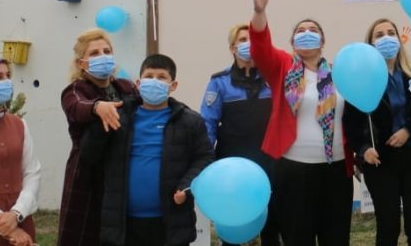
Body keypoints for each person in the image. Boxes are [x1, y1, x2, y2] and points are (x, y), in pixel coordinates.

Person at [244, 0, 353, 245]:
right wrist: (259, 11)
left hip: (336, 170)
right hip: (294, 170)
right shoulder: (283, 66)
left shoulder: (341, 73)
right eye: (300, 31)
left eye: (313, 31)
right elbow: (260, 48)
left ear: (323, 41)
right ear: (292, 42)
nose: (307, 34)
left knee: (336, 238)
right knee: (297, 236)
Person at [82, 54, 213, 246]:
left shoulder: (190, 121)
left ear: (173, 85)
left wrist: (186, 186)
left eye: (161, 77)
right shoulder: (118, 116)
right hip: (123, 222)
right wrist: (100, 122)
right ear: (138, 82)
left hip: (170, 221)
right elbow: (89, 155)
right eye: (149, 76)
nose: (154, 81)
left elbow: (205, 158)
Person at [343, 18, 411, 246]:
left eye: (390, 32)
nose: (386, 38)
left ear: (399, 39)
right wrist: (363, 149)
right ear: (371, 43)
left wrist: (408, 131)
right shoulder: (361, 80)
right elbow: (351, 123)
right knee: (388, 225)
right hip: (380, 161)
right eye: (379, 34)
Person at [200, 24, 280, 246]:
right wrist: (206, 161)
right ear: (232, 48)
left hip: (270, 161)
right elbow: (208, 123)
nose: (249, 44)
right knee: (232, 221)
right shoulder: (219, 82)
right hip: (231, 165)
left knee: (272, 223)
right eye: (243, 39)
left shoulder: (273, 78)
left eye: (253, 39)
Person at [58, 28, 137, 246]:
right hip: (88, 176)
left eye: (107, 51)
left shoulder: (126, 87)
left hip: (122, 170)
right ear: (81, 63)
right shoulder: (74, 90)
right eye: (94, 53)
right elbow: (77, 107)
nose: (102, 56)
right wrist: (97, 107)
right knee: (86, 235)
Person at [0, 57, 39, 246]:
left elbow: (32, 172)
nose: (6, 82)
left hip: (21, 220)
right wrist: (4, 223)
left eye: (8, 76)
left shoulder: (18, 124)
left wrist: (17, 213)